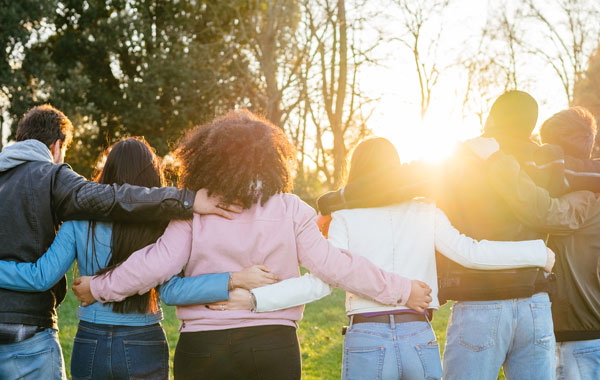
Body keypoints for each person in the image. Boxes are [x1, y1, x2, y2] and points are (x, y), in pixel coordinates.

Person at [71, 110, 431, 380]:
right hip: (273, 345)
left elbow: (154, 263)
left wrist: (98, 287)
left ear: (207, 157)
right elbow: (335, 265)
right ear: (272, 158)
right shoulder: (291, 209)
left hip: (203, 349)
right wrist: (403, 290)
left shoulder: (196, 208)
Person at [208, 137, 554, 380]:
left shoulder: (344, 218)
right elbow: (471, 252)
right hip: (419, 337)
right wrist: (537, 252)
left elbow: (321, 283)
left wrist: (254, 298)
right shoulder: (425, 211)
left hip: (367, 338)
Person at [316, 91, 574, 379]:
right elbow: (538, 215)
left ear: (490, 119)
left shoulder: (462, 158)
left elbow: (396, 182)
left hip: (478, 304)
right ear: (531, 127)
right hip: (533, 302)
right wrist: (538, 253)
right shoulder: (547, 163)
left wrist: (333, 200)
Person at [0, 137, 275, 379]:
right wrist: (230, 282)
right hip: (143, 340)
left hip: (90, 340)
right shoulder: (164, 224)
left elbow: (44, 275)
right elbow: (173, 290)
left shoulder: (79, 220)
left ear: (106, 172)